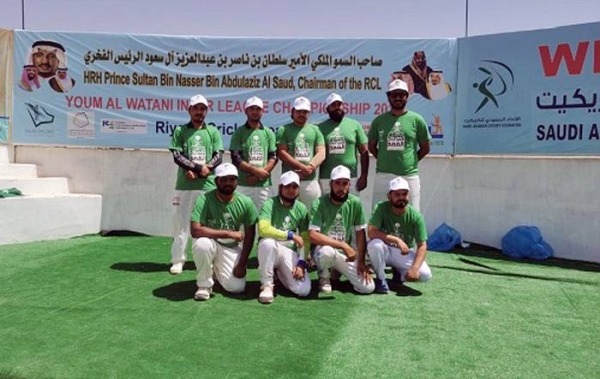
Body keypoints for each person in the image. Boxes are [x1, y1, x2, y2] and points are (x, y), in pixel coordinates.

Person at [168, 94, 224, 275]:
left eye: (202, 109)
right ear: (189, 110)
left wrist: (203, 169)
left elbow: (218, 156)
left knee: (210, 224)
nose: (199, 112)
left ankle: (212, 260)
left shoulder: (213, 132)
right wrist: (195, 168)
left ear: (206, 111)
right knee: (181, 224)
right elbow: (177, 155)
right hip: (185, 185)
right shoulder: (180, 131)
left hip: (207, 185)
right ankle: (178, 260)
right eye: (196, 108)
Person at [190, 163, 257, 300]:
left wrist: (242, 264)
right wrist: (228, 233)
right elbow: (195, 230)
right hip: (211, 242)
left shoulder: (246, 202)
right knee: (202, 244)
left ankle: (216, 268)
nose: (228, 183)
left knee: (237, 287)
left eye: (232, 179)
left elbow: (250, 235)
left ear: (236, 181)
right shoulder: (204, 199)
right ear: (216, 181)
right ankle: (204, 285)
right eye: (224, 179)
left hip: (231, 247)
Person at [308, 165, 374, 294]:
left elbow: (360, 233)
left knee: (368, 287)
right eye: (337, 183)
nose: (341, 188)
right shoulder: (319, 203)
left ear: (349, 185)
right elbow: (312, 235)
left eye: (345, 184)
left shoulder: (355, 203)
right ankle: (324, 277)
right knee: (327, 251)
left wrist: (361, 262)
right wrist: (343, 245)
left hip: (343, 254)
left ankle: (337, 271)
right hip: (323, 250)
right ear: (331, 184)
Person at [368, 79, 431, 212]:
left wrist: (410, 160)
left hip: (409, 175)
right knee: (379, 213)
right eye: (394, 94)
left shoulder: (417, 120)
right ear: (388, 97)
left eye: (401, 94)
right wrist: (385, 159)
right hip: (383, 176)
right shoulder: (379, 121)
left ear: (407, 96)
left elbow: (425, 148)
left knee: (412, 213)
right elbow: (372, 146)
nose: (398, 98)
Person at [367, 176, 432, 293]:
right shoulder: (381, 207)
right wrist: (396, 240)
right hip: (384, 249)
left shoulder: (415, 216)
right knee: (374, 245)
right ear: (389, 196)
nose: (401, 197)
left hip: (403, 252)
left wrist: (415, 269)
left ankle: (399, 276)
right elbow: (371, 231)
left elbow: (422, 245)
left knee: (425, 275)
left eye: (404, 194)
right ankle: (381, 279)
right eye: (397, 194)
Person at [256, 171, 311, 304]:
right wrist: (290, 235)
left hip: (288, 251)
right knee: (267, 243)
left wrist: (302, 263)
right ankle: (267, 285)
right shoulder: (269, 204)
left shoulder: (302, 209)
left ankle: (281, 274)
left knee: (303, 290)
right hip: (271, 249)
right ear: (280, 187)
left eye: (294, 187)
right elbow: (263, 229)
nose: (291, 190)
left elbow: (306, 239)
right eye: (287, 187)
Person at [276, 96, 325, 208]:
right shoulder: (283, 130)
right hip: (289, 183)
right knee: (287, 216)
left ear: (309, 113)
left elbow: (321, 152)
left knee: (312, 215)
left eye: (305, 112)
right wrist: (303, 168)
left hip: (310, 182)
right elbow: (282, 153)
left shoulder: (315, 130)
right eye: (299, 111)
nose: (301, 114)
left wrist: (310, 167)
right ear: (292, 112)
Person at [229, 96, 277, 207]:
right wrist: (256, 171)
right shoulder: (239, 133)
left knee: (265, 220)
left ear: (262, 112)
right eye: (252, 109)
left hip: (264, 186)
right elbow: (236, 158)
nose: (255, 112)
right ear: (246, 111)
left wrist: (259, 176)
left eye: (258, 109)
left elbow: (273, 156)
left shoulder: (269, 132)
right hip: (243, 184)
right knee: (242, 221)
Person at [317, 93, 369, 195]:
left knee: (350, 209)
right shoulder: (320, 128)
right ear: (327, 109)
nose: (337, 107)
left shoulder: (355, 125)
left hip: (350, 179)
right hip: (327, 179)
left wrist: (364, 176)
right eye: (333, 105)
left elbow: (364, 151)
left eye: (339, 104)